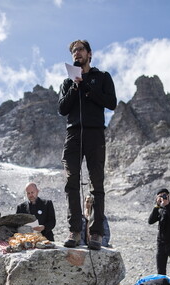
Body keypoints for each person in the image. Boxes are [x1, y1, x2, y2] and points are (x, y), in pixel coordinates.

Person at [58, 39, 117, 250]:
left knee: (96, 184)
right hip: (73, 134)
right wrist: (75, 87)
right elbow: (62, 109)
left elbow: (111, 103)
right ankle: (75, 231)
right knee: (71, 181)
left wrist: (90, 90)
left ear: (89, 54)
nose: (76, 53)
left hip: (95, 134)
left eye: (80, 50)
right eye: (73, 51)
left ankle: (96, 234)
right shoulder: (67, 83)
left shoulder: (102, 77)